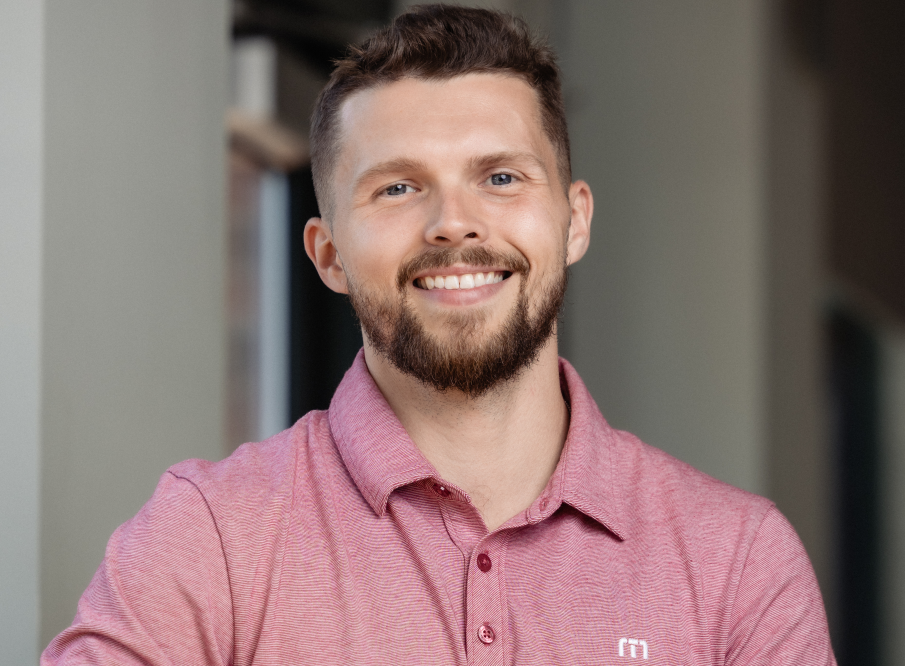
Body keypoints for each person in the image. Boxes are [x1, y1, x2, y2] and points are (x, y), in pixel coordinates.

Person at [43, 5, 835, 664]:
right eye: (397, 186)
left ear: (575, 219)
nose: (454, 223)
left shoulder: (737, 561)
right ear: (328, 255)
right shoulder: (210, 537)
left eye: (500, 177)